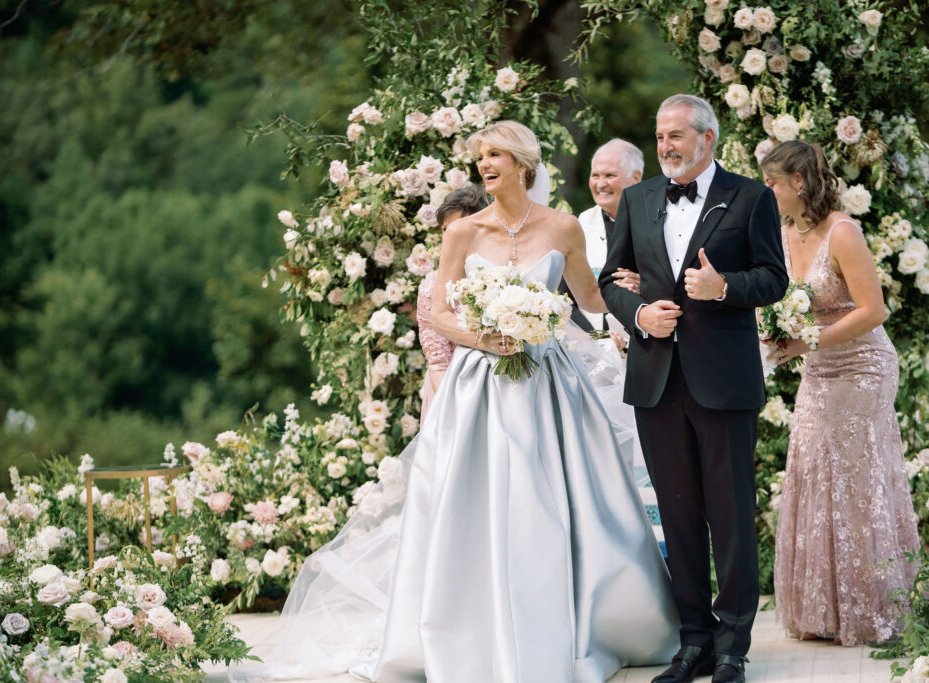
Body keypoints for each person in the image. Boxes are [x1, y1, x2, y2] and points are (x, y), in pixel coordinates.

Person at [247, 120, 680, 683]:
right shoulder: (463, 233)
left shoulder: (563, 227)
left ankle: (584, 621)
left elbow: (592, 299)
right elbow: (440, 314)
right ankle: (468, 627)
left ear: (523, 163)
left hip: (548, 381)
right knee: (471, 502)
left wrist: (638, 294)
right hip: (480, 386)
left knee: (558, 501)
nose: (485, 164)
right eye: (480, 156)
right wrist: (486, 337)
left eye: (495, 154)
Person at [600, 94, 788, 683]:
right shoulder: (637, 198)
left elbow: (774, 278)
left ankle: (733, 648)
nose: (665, 146)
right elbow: (611, 278)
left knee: (730, 516)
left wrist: (723, 287)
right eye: (659, 136)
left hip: (723, 380)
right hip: (656, 378)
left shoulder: (752, 197)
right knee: (677, 518)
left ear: (708, 138)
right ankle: (694, 644)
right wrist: (638, 314)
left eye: (677, 135)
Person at [759, 140, 920, 645]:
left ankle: (871, 609)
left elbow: (873, 310)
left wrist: (805, 341)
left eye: (773, 184)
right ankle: (822, 610)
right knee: (810, 470)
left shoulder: (843, 233)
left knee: (855, 478)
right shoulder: (782, 234)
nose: (768, 193)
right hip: (817, 366)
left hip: (863, 365)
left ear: (799, 183)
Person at [415, 185, 488, 423]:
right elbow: (437, 361)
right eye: (445, 229)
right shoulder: (431, 287)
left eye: (457, 229)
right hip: (448, 393)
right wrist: (462, 410)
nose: (450, 238)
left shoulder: (501, 277)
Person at [563, 138, 644, 331]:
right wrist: (595, 340)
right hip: (590, 345)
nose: (601, 184)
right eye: (595, 175)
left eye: (609, 175)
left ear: (636, 177)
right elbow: (563, 299)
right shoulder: (575, 226)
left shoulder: (659, 222)